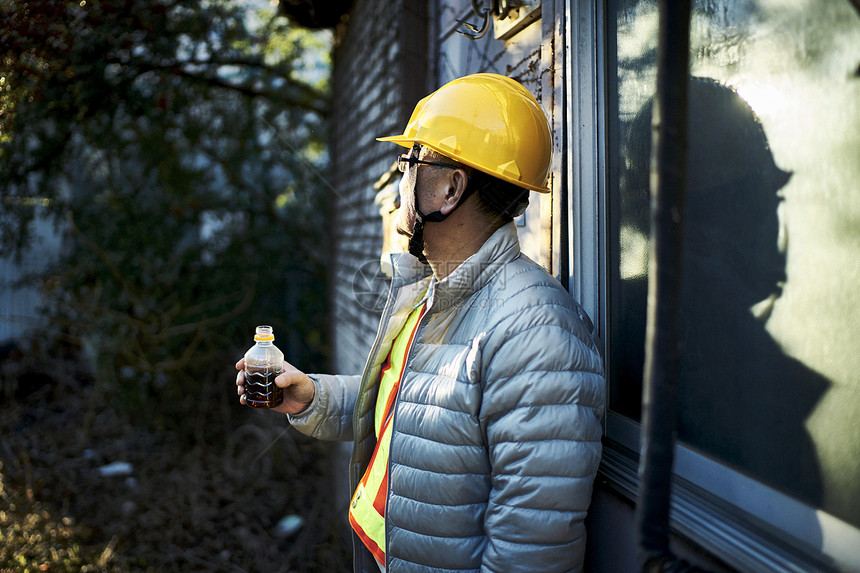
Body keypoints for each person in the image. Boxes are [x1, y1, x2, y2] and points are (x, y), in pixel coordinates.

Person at [236, 73, 606, 572]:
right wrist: (313, 396)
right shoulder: (435, 293)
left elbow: (530, 555)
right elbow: (409, 413)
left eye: (412, 161)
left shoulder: (537, 335)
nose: (400, 178)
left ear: (450, 189)